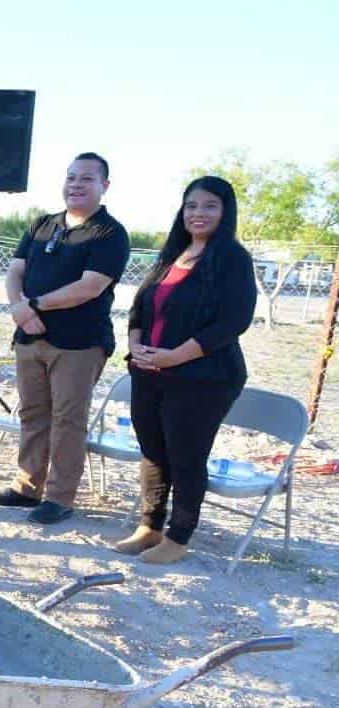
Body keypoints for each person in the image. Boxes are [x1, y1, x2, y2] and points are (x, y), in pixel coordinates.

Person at [114, 177, 257, 564]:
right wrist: (135, 344)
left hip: (203, 379)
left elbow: (232, 322)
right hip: (150, 373)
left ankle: (178, 538)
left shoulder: (232, 259)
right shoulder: (172, 254)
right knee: (152, 452)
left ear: (225, 211)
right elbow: (140, 306)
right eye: (191, 205)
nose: (198, 213)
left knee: (185, 455)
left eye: (210, 205)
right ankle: (150, 527)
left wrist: (173, 357)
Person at [0, 153, 130, 525]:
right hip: (29, 339)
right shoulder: (41, 226)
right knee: (33, 413)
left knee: (68, 419)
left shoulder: (109, 234)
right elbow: (15, 272)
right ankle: (26, 487)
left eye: (86, 179)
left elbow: (90, 286)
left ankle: (59, 496)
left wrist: (32, 305)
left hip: (79, 344)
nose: (76, 185)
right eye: (70, 178)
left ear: (104, 186)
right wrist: (20, 309)